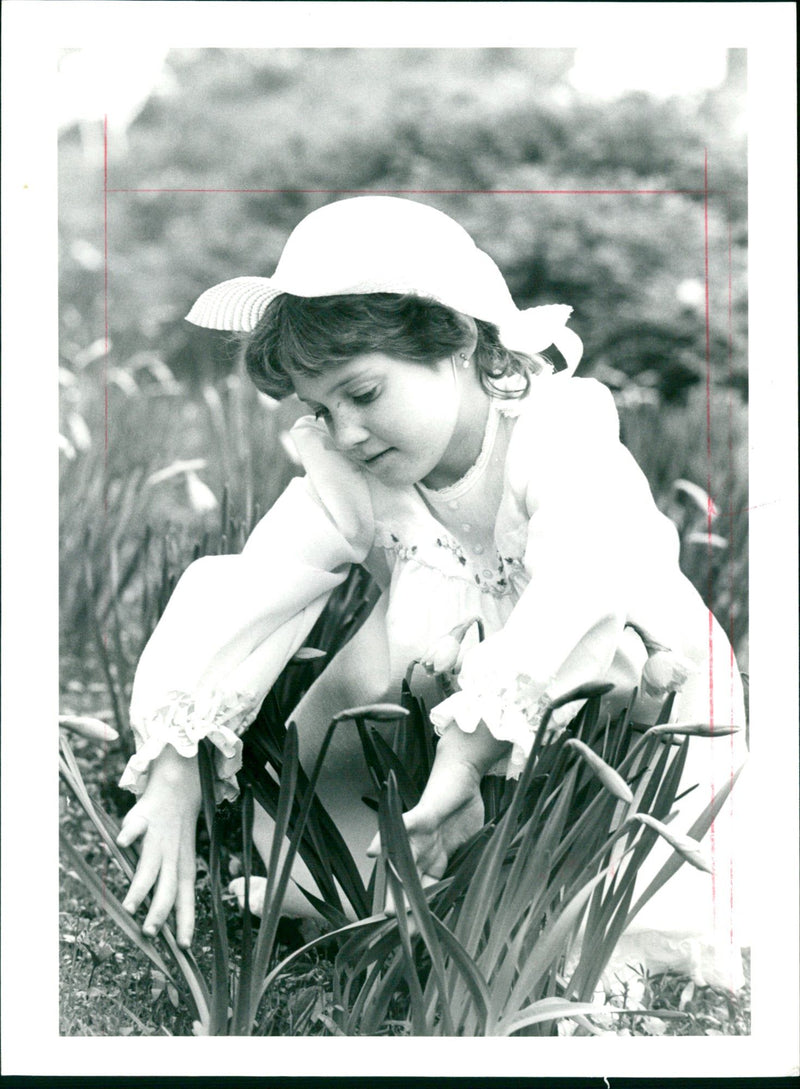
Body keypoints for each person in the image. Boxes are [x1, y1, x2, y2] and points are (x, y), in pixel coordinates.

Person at [117, 196, 749, 992]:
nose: (344, 430)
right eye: (322, 408)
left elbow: (586, 573)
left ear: (453, 342)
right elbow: (261, 577)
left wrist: (479, 736)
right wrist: (177, 748)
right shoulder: (353, 468)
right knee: (357, 701)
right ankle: (362, 887)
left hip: (618, 668)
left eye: (364, 392)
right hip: (457, 676)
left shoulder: (554, 433)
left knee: (591, 882)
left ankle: (600, 942)